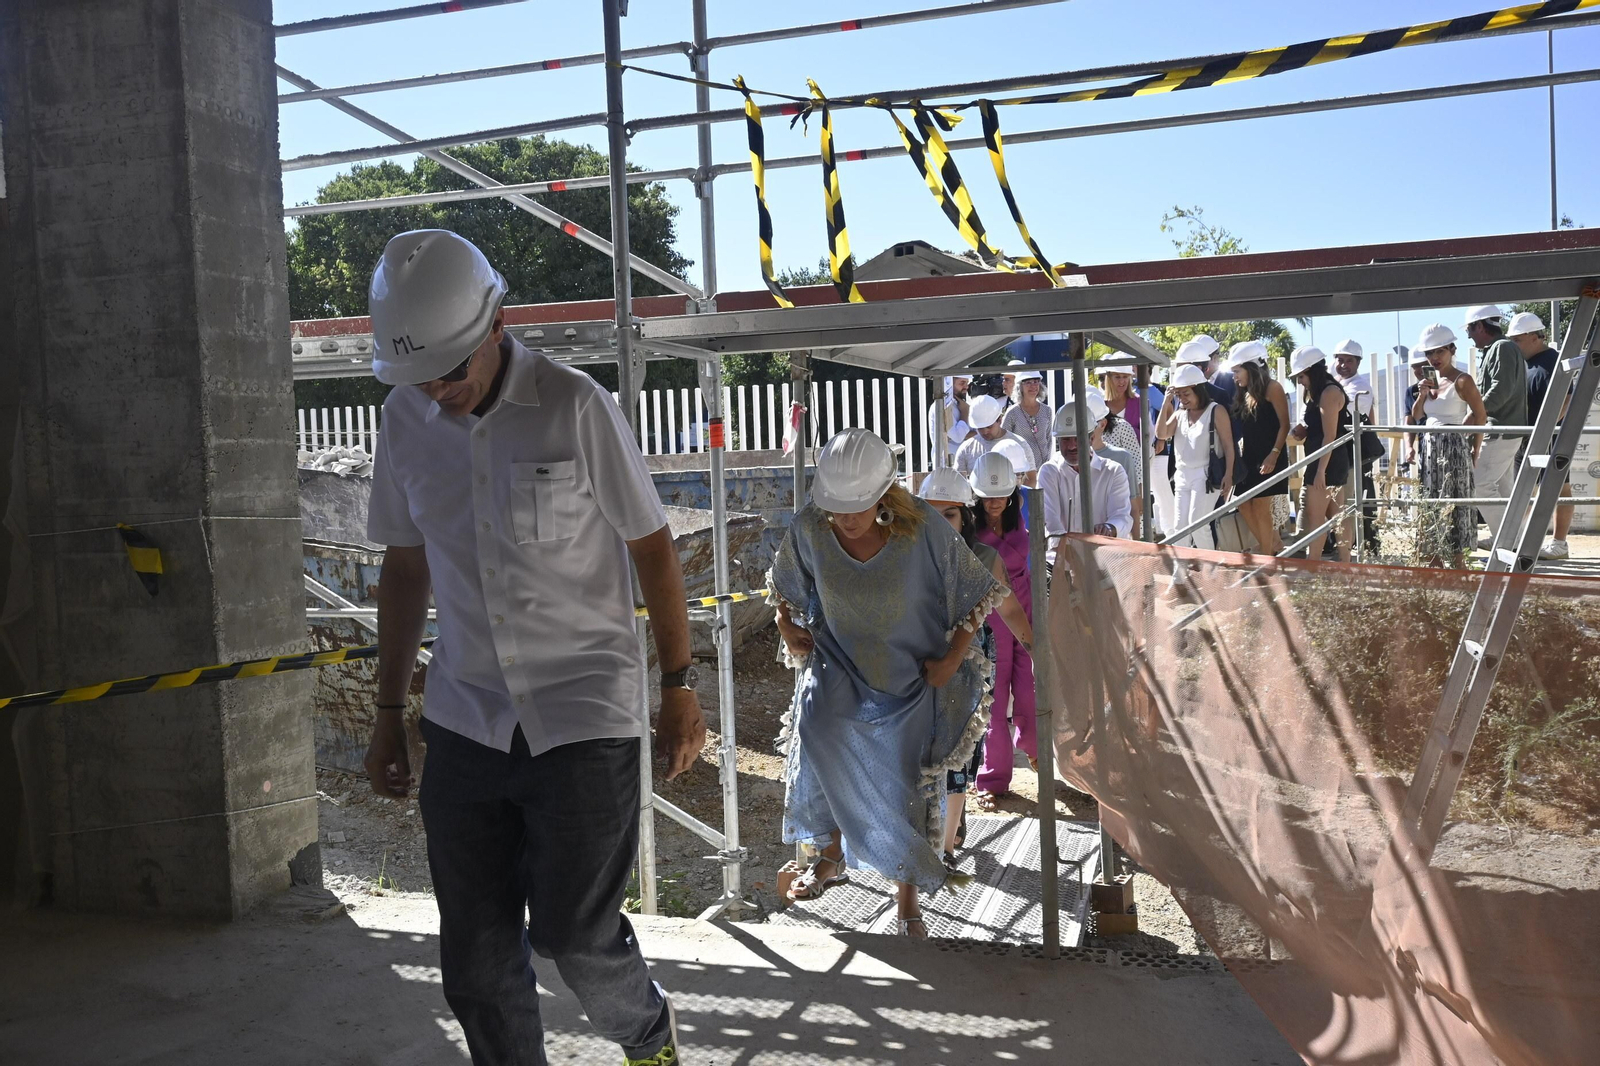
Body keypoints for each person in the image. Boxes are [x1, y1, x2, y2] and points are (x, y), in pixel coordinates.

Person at [362, 230, 703, 1066]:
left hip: (582, 713)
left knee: (572, 937)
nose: (436, 390)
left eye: (449, 369)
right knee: (474, 960)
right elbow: (406, 571)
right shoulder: (404, 421)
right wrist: (386, 710)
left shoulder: (574, 404)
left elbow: (652, 547)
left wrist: (679, 688)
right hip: (465, 713)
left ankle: (647, 1035)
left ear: (498, 325)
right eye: (417, 375)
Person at [770, 429, 1000, 937]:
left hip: (910, 676)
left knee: (904, 783)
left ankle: (907, 899)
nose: (845, 519)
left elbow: (979, 592)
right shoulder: (810, 527)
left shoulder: (923, 530)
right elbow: (784, 583)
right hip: (838, 662)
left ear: (884, 495)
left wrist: (951, 658)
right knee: (819, 732)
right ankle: (830, 852)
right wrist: (788, 624)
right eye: (837, 507)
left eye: (858, 507)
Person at [916, 468, 1033, 869]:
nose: (939, 523)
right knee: (920, 755)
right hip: (919, 665)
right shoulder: (904, 558)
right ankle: (922, 844)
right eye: (931, 513)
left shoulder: (985, 558)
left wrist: (1038, 653)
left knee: (960, 757)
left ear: (965, 516)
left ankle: (946, 849)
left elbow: (1012, 611)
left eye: (948, 514)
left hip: (970, 667)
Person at [967, 451, 1037, 814]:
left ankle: (1038, 751)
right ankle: (993, 778)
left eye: (1001, 494)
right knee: (994, 697)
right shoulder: (968, 527)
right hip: (991, 617)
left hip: (1024, 607)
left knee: (1029, 687)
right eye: (987, 495)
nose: (994, 501)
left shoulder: (1021, 515)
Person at [1411, 324, 1486, 568]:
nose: (1434, 358)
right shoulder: (1428, 381)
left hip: (1454, 445)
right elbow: (1417, 416)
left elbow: (1480, 415)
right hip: (1429, 446)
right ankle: (1434, 559)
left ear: (1452, 350)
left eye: (1439, 352)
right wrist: (1422, 395)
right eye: (1429, 353)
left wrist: (1475, 448)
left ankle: (1458, 561)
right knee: (1431, 500)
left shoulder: (1462, 380)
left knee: (1455, 501)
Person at [1509, 311, 1577, 560]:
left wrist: (1547, 429)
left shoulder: (1553, 361)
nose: (1514, 345)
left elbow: (1568, 399)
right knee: (1525, 489)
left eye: (1517, 340)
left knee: (1558, 488)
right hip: (1531, 435)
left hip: (1548, 436)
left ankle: (1558, 544)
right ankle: (1515, 539)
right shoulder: (1527, 364)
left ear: (1533, 336)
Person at [1464, 304, 1528, 545]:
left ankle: (1507, 540)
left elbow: (1500, 389)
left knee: (1480, 484)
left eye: (1470, 329)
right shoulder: (1502, 348)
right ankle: (1515, 540)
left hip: (1500, 429)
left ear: (1480, 326)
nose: (1469, 335)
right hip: (1505, 429)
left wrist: (1475, 413)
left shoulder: (1501, 348)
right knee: (1502, 491)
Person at [1156, 364, 1235, 550]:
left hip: (1206, 474)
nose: (1183, 399)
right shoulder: (1180, 414)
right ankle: (1181, 571)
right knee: (1179, 527)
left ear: (1199, 390)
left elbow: (1228, 445)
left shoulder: (1216, 410)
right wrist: (1166, 402)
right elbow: (1161, 434)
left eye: (1186, 394)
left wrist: (1229, 474)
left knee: (1198, 524)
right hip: (1182, 475)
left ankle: (1210, 569)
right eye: (1179, 395)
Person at [1041, 398, 1133, 557]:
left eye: (1077, 439)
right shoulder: (1049, 471)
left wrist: (1110, 528)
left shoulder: (1113, 471)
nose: (1071, 446)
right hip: (1060, 561)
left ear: (1091, 439)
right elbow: (1051, 523)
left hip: (1104, 562)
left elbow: (1122, 516)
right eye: (1066, 439)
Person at [1287, 346, 1353, 562]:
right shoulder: (1322, 392)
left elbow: (1330, 436)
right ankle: (1345, 566)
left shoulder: (1329, 392)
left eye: (1302, 376)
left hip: (1326, 462)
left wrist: (1320, 471)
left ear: (1312, 371)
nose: (1299, 381)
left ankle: (1312, 568)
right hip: (1328, 460)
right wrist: (1304, 428)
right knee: (1337, 517)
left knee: (1316, 520)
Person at [1227, 341, 1290, 555]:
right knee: (1244, 504)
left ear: (1251, 367)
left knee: (1262, 506)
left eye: (1237, 371)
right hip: (1251, 457)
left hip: (1271, 455)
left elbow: (1285, 425)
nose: (1234, 376)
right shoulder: (1244, 393)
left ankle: (1266, 555)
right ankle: (1271, 545)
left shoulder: (1273, 388)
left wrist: (1274, 455)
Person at [1333, 339, 1381, 556]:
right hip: (1343, 450)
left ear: (1358, 363)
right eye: (1339, 360)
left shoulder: (1360, 386)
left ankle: (1368, 544)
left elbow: (1344, 411)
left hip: (1357, 450)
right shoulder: (1337, 383)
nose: (1343, 365)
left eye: (1348, 361)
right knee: (1344, 498)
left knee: (1361, 498)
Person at [955, 394, 1032, 477]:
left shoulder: (1019, 444)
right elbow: (958, 482)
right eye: (980, 428)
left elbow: (1031, 479)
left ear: (1000, 420)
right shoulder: (966, 449)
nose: (985, 432)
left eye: (989, 426)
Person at [1001, 368, 1053, 468]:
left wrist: (1047, 465)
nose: (1033, 386)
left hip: (1043, 468)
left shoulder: (1047, 411)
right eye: (1028, 382)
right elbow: (1004, 440)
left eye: (1036, 382)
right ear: (1020, 386)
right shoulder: (1012, 412)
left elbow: (1048, 440)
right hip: (1021, 470)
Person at [928, 374, 974, 466]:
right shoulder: (942, 406)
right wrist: (965, 413)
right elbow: (958, 436)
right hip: (946, 466)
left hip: (960, 464)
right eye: (962, 383)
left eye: (967, 383)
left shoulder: (960, 404)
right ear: (949, 383)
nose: (966, 387)